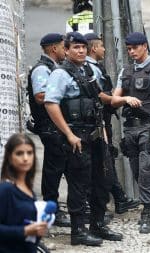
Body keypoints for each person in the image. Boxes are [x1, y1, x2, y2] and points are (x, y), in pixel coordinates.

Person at [44, 32, 122, 246]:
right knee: (79, 184)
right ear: (66, 50)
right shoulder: (60, 74)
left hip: (95, 134)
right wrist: (69, 135)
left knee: (101, 180)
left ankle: (98, 224)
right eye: (75, 47)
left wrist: (119, 100)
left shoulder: (89, 70)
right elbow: (51, 104)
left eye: (83, 47)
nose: (80, 51)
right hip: (76, 136)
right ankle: (78, 231)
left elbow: (99, 98)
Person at [111, 32, 150, 234]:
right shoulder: (125, 72)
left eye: (135, 48)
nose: (131, 52)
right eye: (128, 49)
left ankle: (146, 214)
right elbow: (114, 99)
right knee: (138, 172)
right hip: (131, 128)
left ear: (144, 46)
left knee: (147, 171)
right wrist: (126, 99)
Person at [84, 32, 140, 214]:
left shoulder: (92, 67)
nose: (104, 49)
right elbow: (99, 95)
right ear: (93, 48)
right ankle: (109, 202)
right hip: (96, 121)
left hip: (101, 119)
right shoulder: (91, 68)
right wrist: (119, 100)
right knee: (103, 161)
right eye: (101, 45)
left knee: (106, 158)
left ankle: (119, 198)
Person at [27, 33, 71, 227]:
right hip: (48, 126)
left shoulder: (53, 68)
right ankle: (51, 210)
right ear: (54, 49)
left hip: (55, 125)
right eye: (63, 47)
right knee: (53, 168)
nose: (66, 50)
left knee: (61, 165)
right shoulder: (42, 70)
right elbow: (40, 96)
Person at [0, 134, 48, 252]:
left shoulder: (30, 192)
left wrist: (38, 230)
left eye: (30, 153)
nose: (25, 158)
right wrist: (25, 230)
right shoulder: (6, 190)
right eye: (19, 153)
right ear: (10, 157)